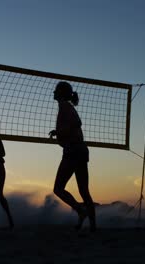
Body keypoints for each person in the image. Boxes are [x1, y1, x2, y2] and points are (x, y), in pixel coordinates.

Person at [49, 81, 96, 231]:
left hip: (73, 151)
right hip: (80, 150)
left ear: (61, 93)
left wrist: (60, 132)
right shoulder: (67, 107)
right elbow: (73, 125)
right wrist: (59, 132)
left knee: (58, 188)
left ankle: (81, 211)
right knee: (83, 190)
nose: (53, 92)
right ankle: (93, 225)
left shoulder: (64, 106)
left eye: (56, 90)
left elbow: (77, 123)